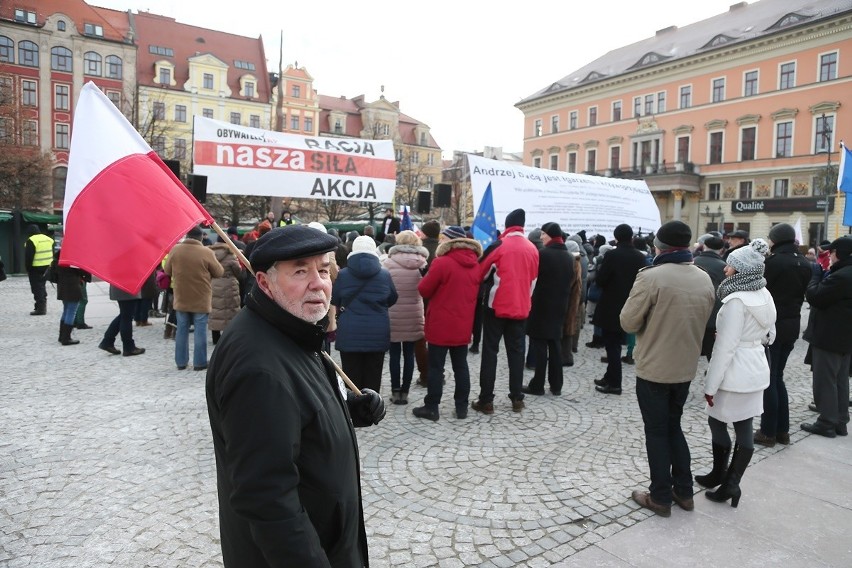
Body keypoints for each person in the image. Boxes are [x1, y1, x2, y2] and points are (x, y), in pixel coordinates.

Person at [206, 224, 386, 567]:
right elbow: (267, 496)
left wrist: (348, 410)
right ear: (263, 282)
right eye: (300, 271)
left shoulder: (292, 328)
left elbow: (296, 413)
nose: (318, 282)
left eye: (323, 269)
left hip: (330, 537)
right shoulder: (259, 367)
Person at [620, 220, 715, 517]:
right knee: (674, 426)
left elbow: (628, 322)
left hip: (655, 369)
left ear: (659, 246)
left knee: (657, 432)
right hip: (685, 367)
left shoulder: (652, 277)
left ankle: (660, 495)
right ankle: (684, 492)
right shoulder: (703, 277)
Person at [696, 242, 776, 508]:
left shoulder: (735, 300)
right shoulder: (764, 293)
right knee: (744, 426)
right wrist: (749, 339)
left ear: (742, 271)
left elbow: (725, 348)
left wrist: (710, 385)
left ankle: (725, 478)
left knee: (718, 423)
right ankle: (729, 482)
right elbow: (770, 334)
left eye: (731, 264)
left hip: (734, 372)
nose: (726, 268)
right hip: (755, 367)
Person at [472, 208, 539, 414]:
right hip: (521, 307)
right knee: (517, 354)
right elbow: (533, 282)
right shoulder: (533, 248)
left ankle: (486, 400)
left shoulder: (499, 245)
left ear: (508, 225)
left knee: (490, 352)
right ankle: (517, 398)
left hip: (496, 307)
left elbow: (480, 273)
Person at [412, 226, 483, 421]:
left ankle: (432, 407)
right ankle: (462, 407)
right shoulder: (476, 265)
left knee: (436, 367)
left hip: (440, 324)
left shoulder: (442, 263)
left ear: (449, 241)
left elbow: (424, 290)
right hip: (462, 324)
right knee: (461, 366)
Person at [754, 223, 812, 447]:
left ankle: (768, 432)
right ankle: (782, 431)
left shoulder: (773, 262)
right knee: (777, 377)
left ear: (775, 240)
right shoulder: (804, 263)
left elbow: (762, 290)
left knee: (769, 380)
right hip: (792, 323)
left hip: (773, 325)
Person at [801, 236, 852, 438]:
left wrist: (815, 276)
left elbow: (815, 296)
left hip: (830, 336)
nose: (829, 256)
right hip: (844, 337)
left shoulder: (841, 275)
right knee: (840, 380)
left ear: (838, 254)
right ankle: (840, 421)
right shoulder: (845, 273)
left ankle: (826, 422)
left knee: (825, 380)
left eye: (831, 253)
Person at [332, 235, 398, 392]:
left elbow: (335, 298)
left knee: (351, 379)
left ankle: (352, 414)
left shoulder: (343, 275)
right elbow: (393, 298)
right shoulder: (384, 275)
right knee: (373, 377)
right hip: (377, 331)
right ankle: (371, 412)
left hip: (350, 332)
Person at [593, 224, 647, 395]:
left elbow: (601, 279)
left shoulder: (612, 254)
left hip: (611, 305)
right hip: (630, 304)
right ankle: (609, 376)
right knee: (615, 343)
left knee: (612, 345)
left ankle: (615, 383)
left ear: (616, 237)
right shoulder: (639, 256)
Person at [523, 222, 574, 396]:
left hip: (541, 306)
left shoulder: (543, 254)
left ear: (550, 235)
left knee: (539, 345)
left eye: (543, 234)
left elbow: (532, 279)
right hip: (560, 306)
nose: (541, 237)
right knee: (554, 345)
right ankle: (556, 384)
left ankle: (537, 384)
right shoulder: (568, 256)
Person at [164, 226, 224, 371]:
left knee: (181, 330)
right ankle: (200, 362)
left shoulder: (175, 250)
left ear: (187, 236)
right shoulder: (206, 252)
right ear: (201, 237)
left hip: (181, 296)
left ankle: (181, 362)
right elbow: (219, 272)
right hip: (201, 297)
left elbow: (167, 270)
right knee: (200, 330)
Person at [381, 230, 428, 404]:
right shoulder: (422, 264)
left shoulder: (388, 263)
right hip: (414, 313)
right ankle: (405, 392)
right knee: (409, 354)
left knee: (394, 354)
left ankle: (395, 391)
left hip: (392, 312)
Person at [693, 236, 727, 360]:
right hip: (713, 313)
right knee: (711, 350)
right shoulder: (723, 266)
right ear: (721, 250)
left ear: (704, 247)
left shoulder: (693, 261)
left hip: (693, 309)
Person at [209, 237, 244, 345]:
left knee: (215, 310)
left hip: (214, 283)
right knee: (230, 310)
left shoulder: (210, 253)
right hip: (229, 284)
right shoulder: (230, 254)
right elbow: (237, 271)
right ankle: (228, 338)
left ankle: (215, 337)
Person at [98, 285, 146, 356]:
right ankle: (128, 347)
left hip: (119, 286)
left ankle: (107, 341)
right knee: (127, 316)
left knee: (124, 315)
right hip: (128, 287)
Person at [24, 224, 54, 316]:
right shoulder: (48, 239)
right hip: (47, 267)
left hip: (35, 268)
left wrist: (28, 269)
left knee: (37, 288)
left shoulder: (31, 240)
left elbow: (29, 257)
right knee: (42, 287)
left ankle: (41, 309)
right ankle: (40, 305)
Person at [56, 264, 88, 346]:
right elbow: (81, 271)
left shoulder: (59, 258)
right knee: (71, 311)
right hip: (73, 286)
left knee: (66, 310)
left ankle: (62, 336)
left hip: (62, 286)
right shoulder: (72, 260)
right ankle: (66, 338)